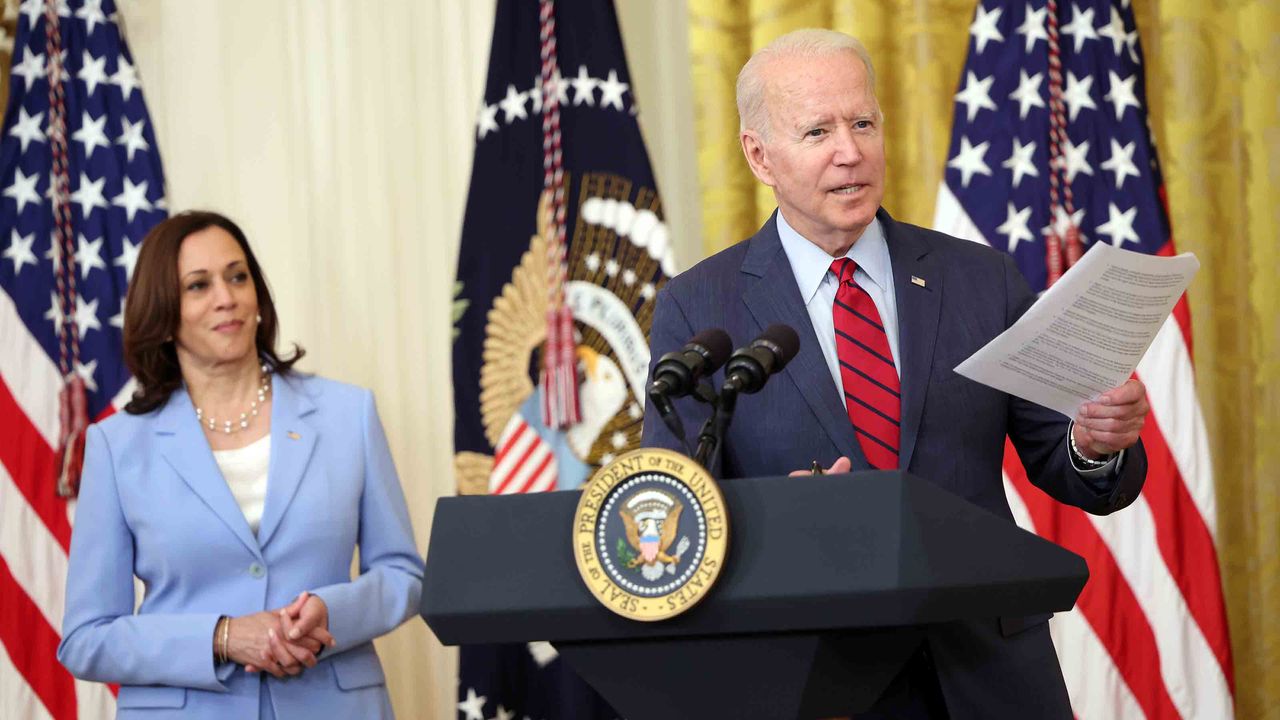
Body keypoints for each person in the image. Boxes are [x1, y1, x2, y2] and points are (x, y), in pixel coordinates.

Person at [641, 29, 1150, 719]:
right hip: (816, 679)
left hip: (989, 674)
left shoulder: (980, 280)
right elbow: (673, 513)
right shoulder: (702, 307)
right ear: (758, 155)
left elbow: (1065, 461)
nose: (849, 151)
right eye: (818, 131)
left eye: (863, 123)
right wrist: (774, 521)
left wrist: (1096, 443)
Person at [58, 211, 424, 719]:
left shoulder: (348, 414)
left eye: (237, 276)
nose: (225, 298)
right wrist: (222, 636)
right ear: (163, 317)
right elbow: (86, 638)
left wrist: (330, 613)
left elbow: (404, 574)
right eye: (198, 286)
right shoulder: (116, 446)